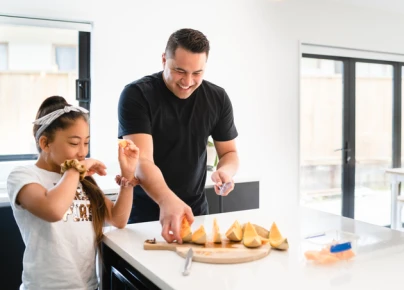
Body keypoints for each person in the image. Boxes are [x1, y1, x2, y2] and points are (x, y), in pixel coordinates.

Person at [118, 28, 239, 243]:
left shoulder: (217, 98)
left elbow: (229, 152)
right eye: (180, 71)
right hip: (145, 216)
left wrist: (226, 171)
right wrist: (166, 200)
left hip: (196, 213)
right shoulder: (137, 95)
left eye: (197, 73)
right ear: (164, 59)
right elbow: (141, 159)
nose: (188, 81)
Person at [7, 96, 139, 290]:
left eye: (86, 143)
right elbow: (53, 210)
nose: (82, 152)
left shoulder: (79, 178)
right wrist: (76, 170)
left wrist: (127, 174)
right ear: (45, 143)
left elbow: (117, 219)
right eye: (74, 143)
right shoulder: (23, 176)